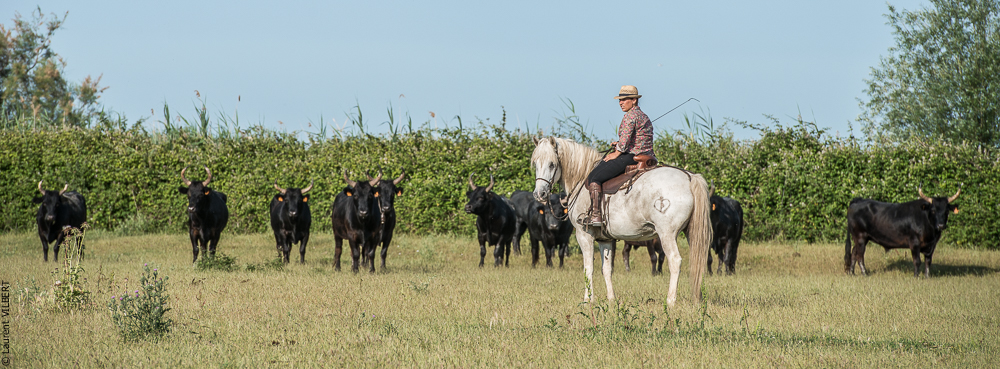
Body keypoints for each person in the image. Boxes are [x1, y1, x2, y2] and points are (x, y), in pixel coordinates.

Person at [585, 85, 656, 226]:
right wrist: (618, 143)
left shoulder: (630, 116)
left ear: (634, 100)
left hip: (631, 155)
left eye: (624, 100)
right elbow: (636, 138)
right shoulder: (643, 116)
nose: (621, 103)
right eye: (619, 100)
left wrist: (616, 152)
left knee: (595, 177)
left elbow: (624, 145)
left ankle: (596, 215)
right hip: (648, 155)